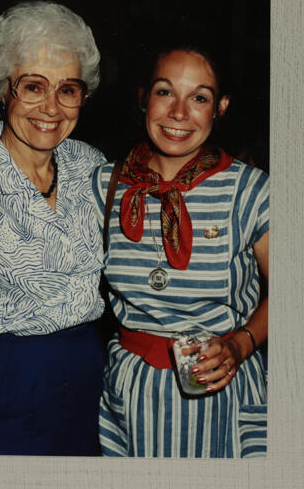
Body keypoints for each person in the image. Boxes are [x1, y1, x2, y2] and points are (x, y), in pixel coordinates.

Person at [0, 0, 106, 456]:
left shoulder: (90, 165)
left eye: (68, 89)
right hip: (5, 390)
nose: (51, 108)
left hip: (91, 389)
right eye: (33, 86)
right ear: (2, 90)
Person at [92, 41, 269, 458]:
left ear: (220, 106)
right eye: (165, 91)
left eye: (200, 97)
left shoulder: (251, 190)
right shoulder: (104, 185)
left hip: (220, 391)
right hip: (130, 393)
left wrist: (241, 344)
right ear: (143, 97)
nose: (178, 113)